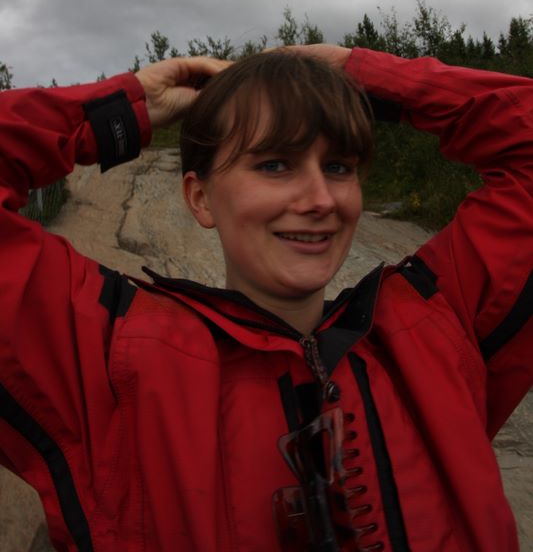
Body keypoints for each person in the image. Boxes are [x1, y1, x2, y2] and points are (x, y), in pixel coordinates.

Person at [0, 43, 532, 552]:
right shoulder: (110, 368)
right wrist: (126, 108)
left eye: (338, 166)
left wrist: (362, 76)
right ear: (200, 198)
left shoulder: (437, 327)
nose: (320, 199)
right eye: (275, 164)